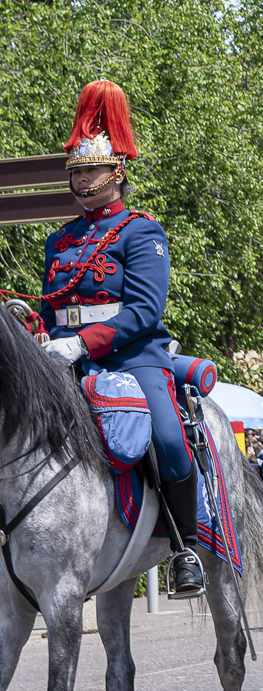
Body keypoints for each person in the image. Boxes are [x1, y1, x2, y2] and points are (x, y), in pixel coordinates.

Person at [38, 80, 206, 598]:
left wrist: (82, 343)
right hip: (62, 359)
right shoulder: (59, 239)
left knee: (168, 439)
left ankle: (186, 548)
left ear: (117, 172)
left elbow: (143, 311)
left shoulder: (141, 232)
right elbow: (50, 305)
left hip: (133, 357)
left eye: (90, 171)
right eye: (76, 172)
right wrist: (44, 336)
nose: (81, 179)